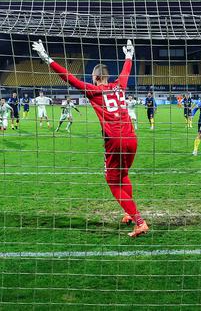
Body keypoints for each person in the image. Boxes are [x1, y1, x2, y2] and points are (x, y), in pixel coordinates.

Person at [32, 39, 149, 238]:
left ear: (95, 78)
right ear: (107, 76)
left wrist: (47, 58)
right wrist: (129, 55)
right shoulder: (119, 87)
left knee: (112, 182)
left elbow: (69, 78)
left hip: (115, 141)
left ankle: (140, 222)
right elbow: (126, 72)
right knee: (122, 175)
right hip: (132, 138)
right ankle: (128, 213)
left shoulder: (94, 91)